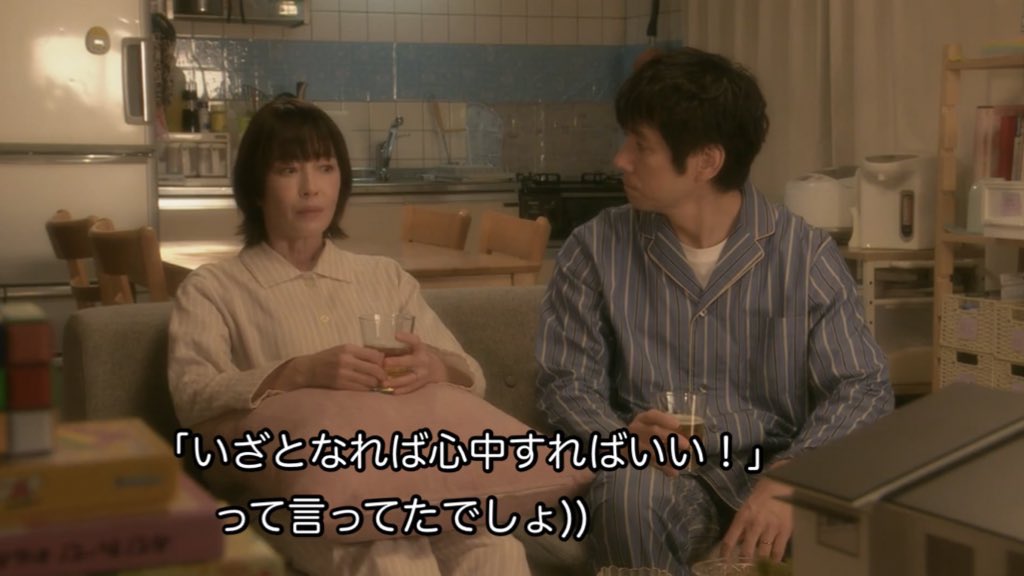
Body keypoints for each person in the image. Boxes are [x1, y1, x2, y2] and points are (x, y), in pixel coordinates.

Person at [535, 48, 893, 574]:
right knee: (630, 494)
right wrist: (620, 440)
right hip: (662, 475)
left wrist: (794, 473)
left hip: (772, 465)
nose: (620, 160)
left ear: (706, 161)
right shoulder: (595, 248)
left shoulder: (804, 254)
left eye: (640, 145)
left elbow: (863, 386)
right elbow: (565, 381)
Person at [167, 96, 530, 576]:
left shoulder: (385, 278)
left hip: (413, 481)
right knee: (394, 563)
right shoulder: (213, 289)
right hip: (296, 496)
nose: (311, 188)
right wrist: (298, 373)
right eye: (289, 170)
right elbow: (192, 395)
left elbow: (473, 377)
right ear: (255, 188)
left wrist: (435, 366)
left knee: (497, 548)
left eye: (325, 168)